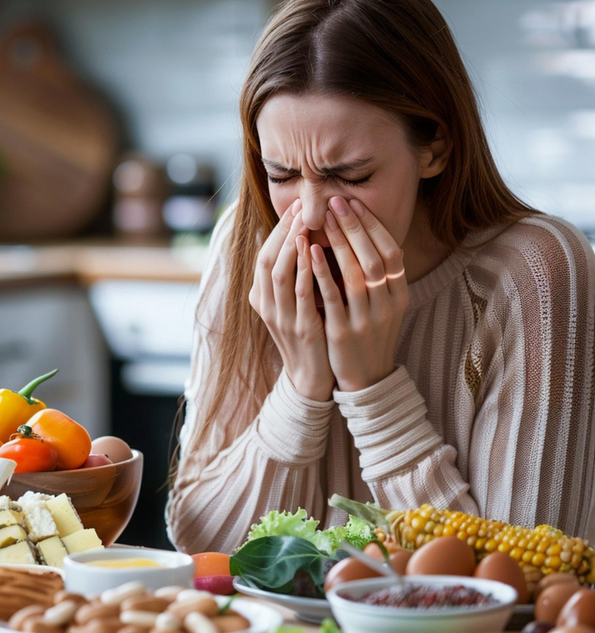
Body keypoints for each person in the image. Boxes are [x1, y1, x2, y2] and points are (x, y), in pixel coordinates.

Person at [166, 0, 595, 555]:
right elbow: (199, 542)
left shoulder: (534, 273)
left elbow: (522, 586)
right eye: (282, 174)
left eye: (350, 175)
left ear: (435, 147)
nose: (311, 216)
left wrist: (373, 388)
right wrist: (301, 388)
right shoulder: (245, 245)